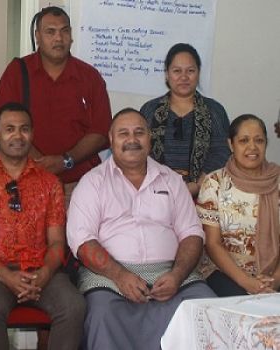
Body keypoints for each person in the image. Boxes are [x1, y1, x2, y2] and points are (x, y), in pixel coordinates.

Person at [67, 108, 217, 350]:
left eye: (139, 132)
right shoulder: (92, 182)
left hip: (172, 273)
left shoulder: (170, 180)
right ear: (111, 139)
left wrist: (177, 276)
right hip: (109, 277)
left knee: (206, 307)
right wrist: (121, 276)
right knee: (103, 313)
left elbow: (192, 233)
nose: (132, 140)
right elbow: (82, 241)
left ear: (150, 138)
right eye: (123, 133)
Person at [0, 102, 85, 350]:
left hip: (42, 271)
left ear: (32, 134)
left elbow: (58, 242)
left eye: (24, 129)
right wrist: (8, 277)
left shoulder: (50, 183)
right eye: (9, 129)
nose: (18, 135)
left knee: (74, 306)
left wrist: (44, 274)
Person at [0, 6, 111, 204]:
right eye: (50, 31)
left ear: (71, 36)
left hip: (79, 188)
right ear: (37, 36)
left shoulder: (89, 77)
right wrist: (40, 166)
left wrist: (65, 161)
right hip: (26, 184)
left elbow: (100, 132)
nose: (58, 38)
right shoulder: (17, 72)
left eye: (64, 31)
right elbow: (4, 126)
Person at [197, 114, 280, 296]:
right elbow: (212, 244)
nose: (252, 147)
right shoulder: (215, 183)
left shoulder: (277, 180)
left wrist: (275, 280)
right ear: (231, 144)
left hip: (274, 275)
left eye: (259, 140)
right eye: (244, 140)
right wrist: (247, 282)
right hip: (225, 274)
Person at [140, 43, 230, 197]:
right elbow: (140, 152)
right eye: (177, 71)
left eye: (190, 71)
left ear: (198, 73)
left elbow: (222, 153)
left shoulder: (214, 110)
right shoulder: (150, 110)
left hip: (205, 194)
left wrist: (196, 185)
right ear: (167, 74)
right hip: (154, 193)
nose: (184, 77)